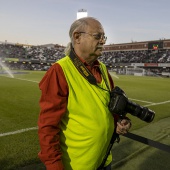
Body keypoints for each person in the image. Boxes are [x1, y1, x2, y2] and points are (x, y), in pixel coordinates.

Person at [38, 17, 131, 170]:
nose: (103, 41)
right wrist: (54, 166)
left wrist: (119, 122)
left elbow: (109, 107)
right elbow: (48, 127)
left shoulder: (102, 68)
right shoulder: (59, 71)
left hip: (105, 160)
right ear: (77, 37)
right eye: (97, 36)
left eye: (104, 37)